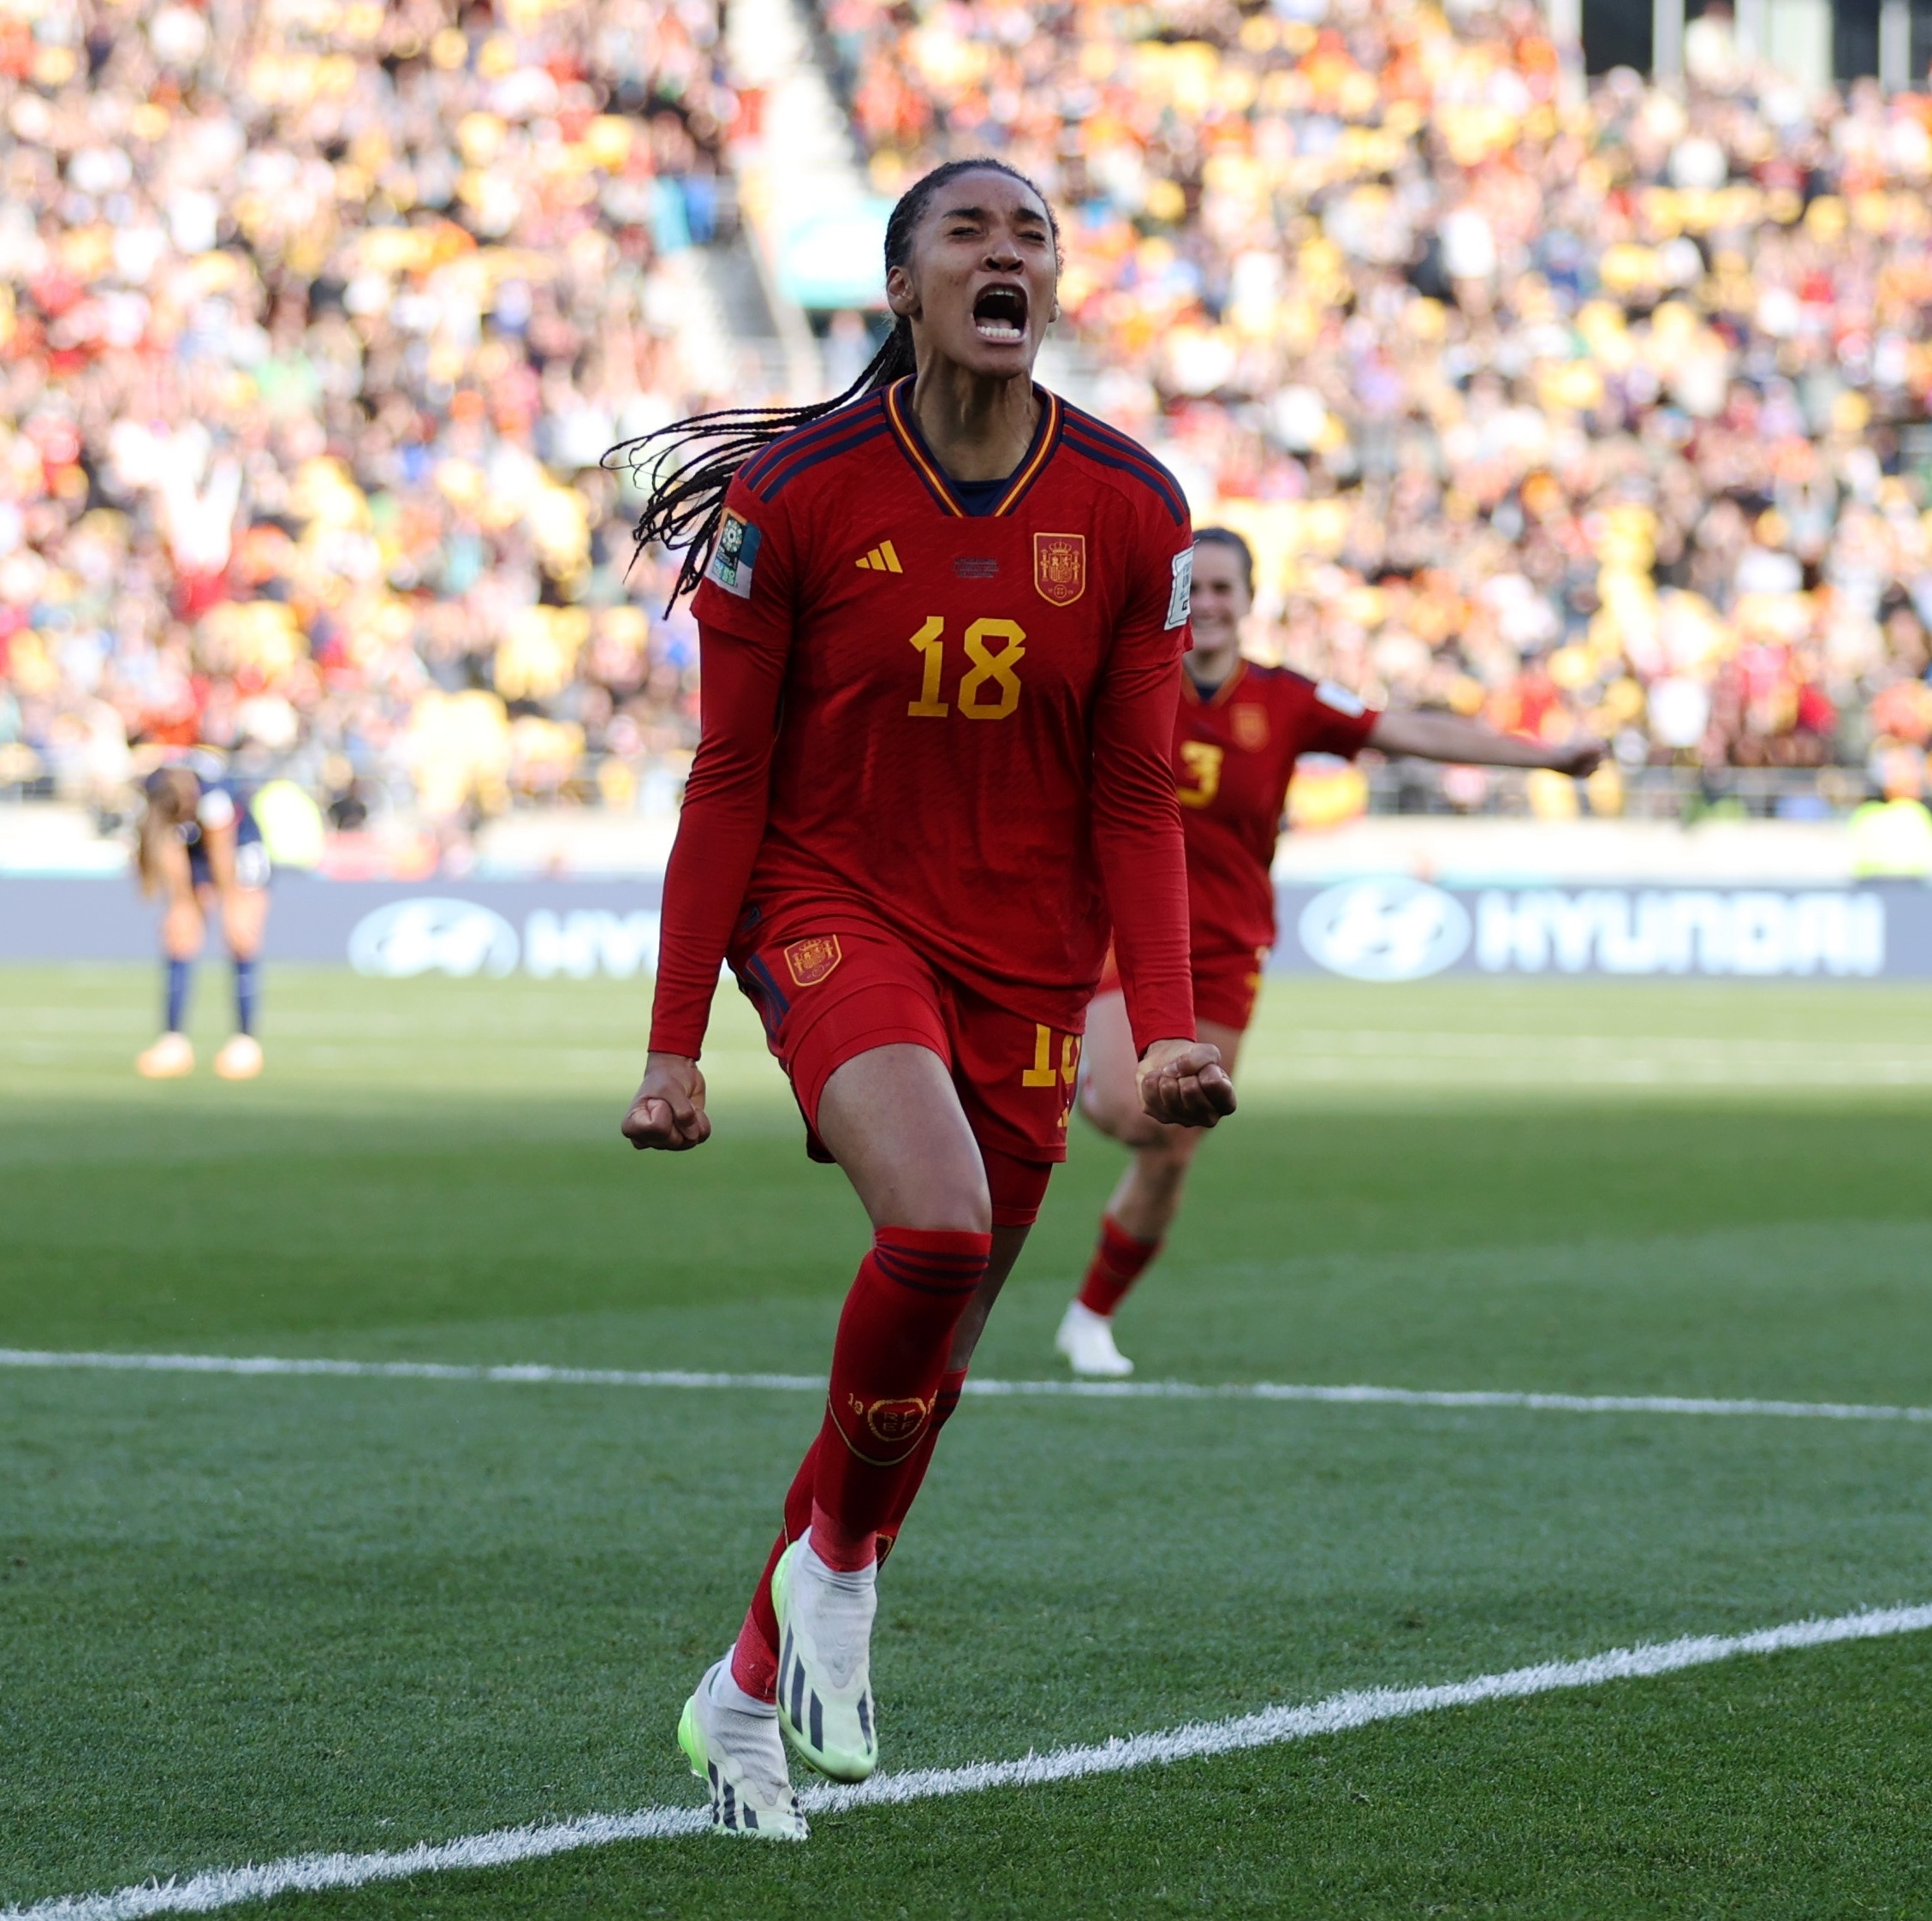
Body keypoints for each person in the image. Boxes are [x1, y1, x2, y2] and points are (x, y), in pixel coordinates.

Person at [610, 158, 1234, 1839]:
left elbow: (1130, 797)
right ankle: (839, 1581)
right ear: (902, 285)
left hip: (1025, 952)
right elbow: (725, 774)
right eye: (968, 229)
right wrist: (671, 1045)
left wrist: (1164, 1025)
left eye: (1029, 232)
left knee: (933, 1365)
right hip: (829, 905)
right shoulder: (799, 497)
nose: (1005, 252)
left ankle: (743, 1692)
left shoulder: (1129, 505)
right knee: (941, 1236)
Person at [1054, 526, 1603, 1377]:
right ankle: (1063, 1084)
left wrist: (1543, 757)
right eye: (1192, 588)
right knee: (1135, 1111)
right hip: (1121, 933)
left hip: (1228, 950)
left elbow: (1410, 732)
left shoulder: (1285, 699)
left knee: (1173, 1145)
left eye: (1224, 589)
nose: (1207, 604)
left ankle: (1090, 1317)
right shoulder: (1127, 680)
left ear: (1250, 601)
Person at [132, 758, 268, 1080]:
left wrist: (231, 903)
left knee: (240, 936)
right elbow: (167, 845)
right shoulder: (158, 787)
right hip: (194, 846)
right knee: (179, 935)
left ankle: (245, 1043)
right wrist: (181, 901)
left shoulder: (215, 798)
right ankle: (173, 1042)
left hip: (240, 847)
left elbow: (222, 853)